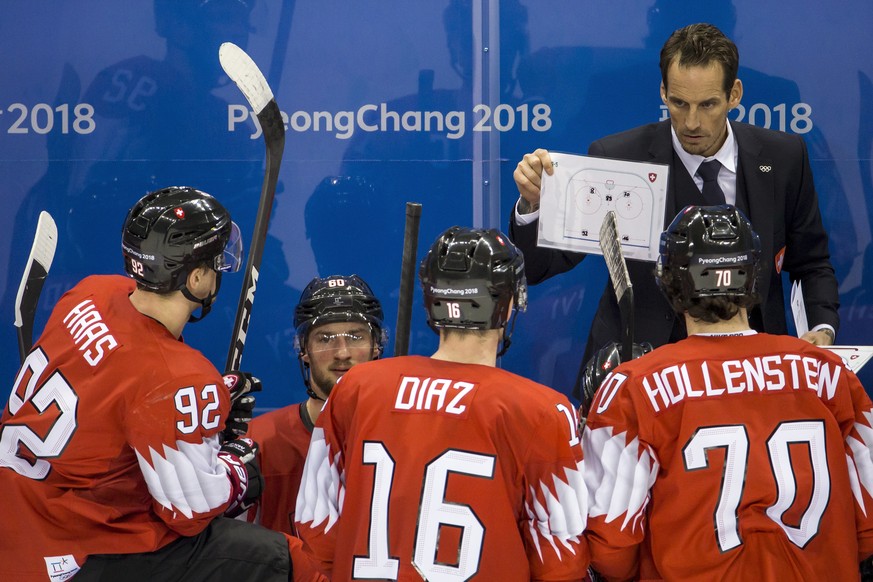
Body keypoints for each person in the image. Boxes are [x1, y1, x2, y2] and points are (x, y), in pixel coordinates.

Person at [0, 187, 325, 582]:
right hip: (73, 549)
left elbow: (116, 387)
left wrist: (191, 412)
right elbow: (190, 512)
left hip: (16, 517)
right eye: (215, 261)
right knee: (280, 558)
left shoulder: (91, 293)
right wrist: (236, 470)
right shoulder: (177, 377)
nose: (221, 268)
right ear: (196, 276)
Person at [510, 23, 839, 366]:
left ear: (735, 94)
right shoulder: (619, 158)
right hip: (639, 370)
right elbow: (537, 268)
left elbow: (811, 262)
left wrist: (822, 328)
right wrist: (533, 205)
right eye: (679, 103)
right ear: (664, 92)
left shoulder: (783, 158)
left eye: (708, 104)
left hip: (752, 370)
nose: (692, 123)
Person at [581, 205, 873, 580]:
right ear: (754, 277)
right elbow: (867, 524)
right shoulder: (829, 373)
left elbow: (612, 542)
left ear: (669, 281)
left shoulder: (635, 387)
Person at [295, 226, 589, 580]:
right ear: (510, 304)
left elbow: (316, 526)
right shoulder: (542, 410)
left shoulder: (355, 388)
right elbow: (561, 559)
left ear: (431, 302)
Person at [243, 274, 387, 534]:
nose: (342, 352)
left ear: (376, 345)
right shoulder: (259, 441)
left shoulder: (402, 437)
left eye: (355, 337)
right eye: (325, 339)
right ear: (303, 350)